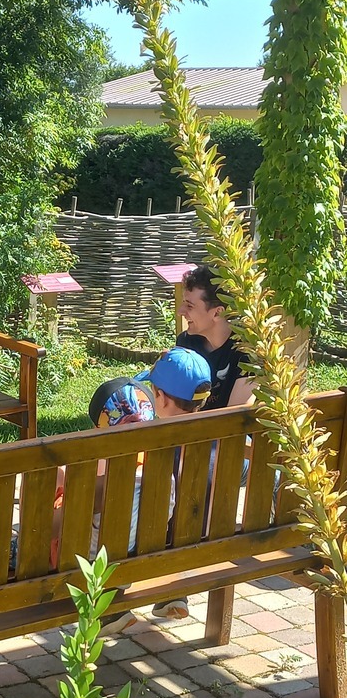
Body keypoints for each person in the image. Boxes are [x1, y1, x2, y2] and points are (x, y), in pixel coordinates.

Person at [52, 346, 212, 634]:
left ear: (160, 397)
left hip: (110, 552)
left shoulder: (132, 453)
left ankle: (110, 605)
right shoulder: (206, 440)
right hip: (169, 544)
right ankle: (172, 589)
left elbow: (80, 511)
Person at [176, 264, 254, 409]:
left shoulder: (247, 349)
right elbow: (177, 407)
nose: (180, 311)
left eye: (189, 306)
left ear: (217, 312)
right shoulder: (186, 343)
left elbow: (235, 420)